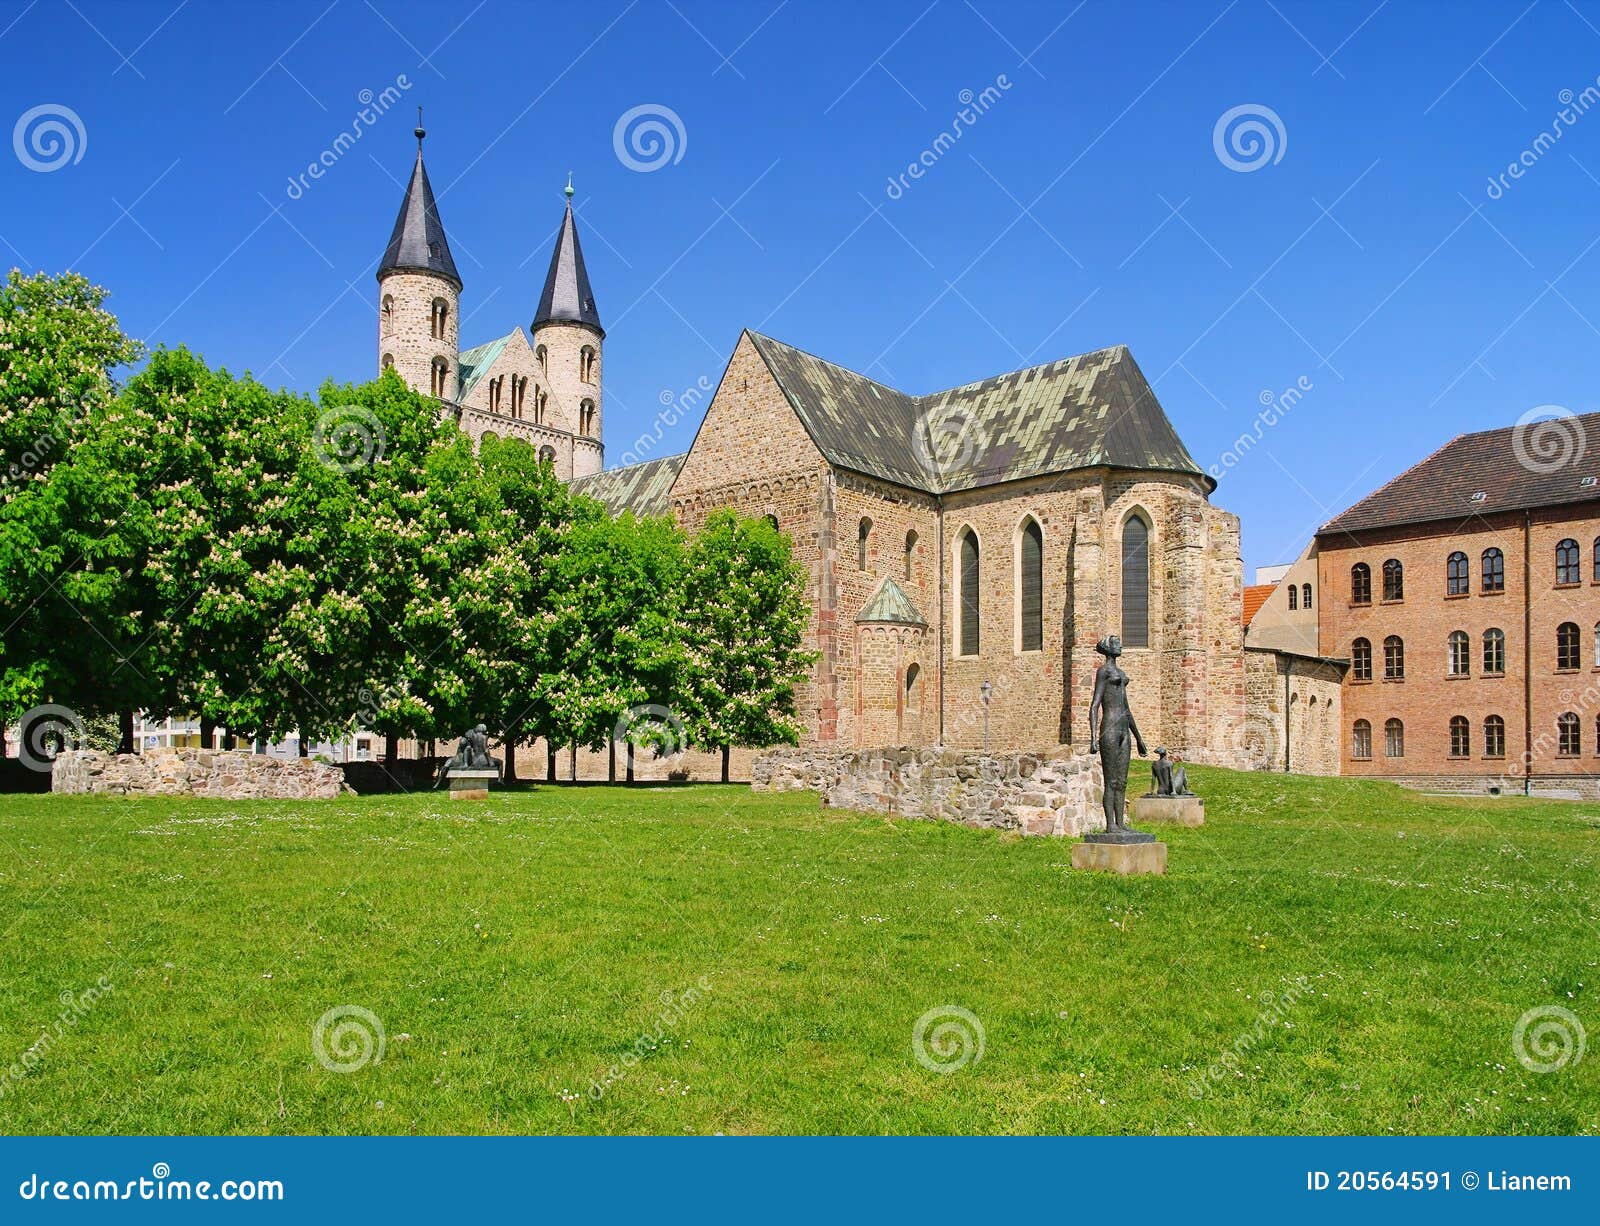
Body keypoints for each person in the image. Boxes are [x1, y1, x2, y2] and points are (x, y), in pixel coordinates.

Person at [1087, 634, 1147, 830]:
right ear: (1108, 647)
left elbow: (1127, 709)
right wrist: (1093, 737)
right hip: (1110, 728)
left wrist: (1139, 738)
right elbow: (1095, 705)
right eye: (1116, 643)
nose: (1120, 646)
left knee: (1122, 781)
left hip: (1123, 729)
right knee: (1111, 780)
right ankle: (1110, 824)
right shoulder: (1104, 671)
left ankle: (1121, 823)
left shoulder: (1121, 673)